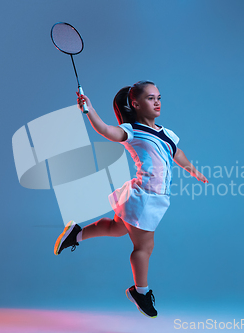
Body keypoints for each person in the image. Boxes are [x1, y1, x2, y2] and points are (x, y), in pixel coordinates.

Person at [54, 81, 208, 318]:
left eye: (158, 97)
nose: (156, 102)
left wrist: (192, 170)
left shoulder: (166, 133)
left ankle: (76, 233)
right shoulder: (132, 131)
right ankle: (140, 292)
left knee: (117, 228)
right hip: (144, 198)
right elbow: (107, 130)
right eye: (150, 98)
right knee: (144, 247)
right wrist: (90, 110)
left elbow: (177, 153)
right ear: (135, 104)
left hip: (152, 197)